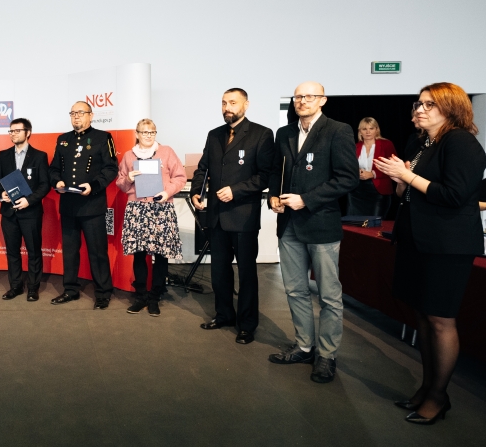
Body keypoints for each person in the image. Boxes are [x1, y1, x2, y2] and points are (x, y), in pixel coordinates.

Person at [374, 82, 486, 424]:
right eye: (418, 104)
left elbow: (454, 195)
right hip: (417, 239)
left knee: (440, 319)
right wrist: (400, 180)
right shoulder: (421, 143)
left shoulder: (461, 143)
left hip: (447, 245)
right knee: (422, 316)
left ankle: (438, 397)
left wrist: (406, 175)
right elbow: (407, 194)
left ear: (450, 108)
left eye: (428, 105)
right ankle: (426, 387)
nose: (419, 110)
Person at [267, 82, 358, 383]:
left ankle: (327, 355)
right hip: (288, 224)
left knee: (329, 296)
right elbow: (276, 171)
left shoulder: (338, 130)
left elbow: (347, 178)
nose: (302, 100)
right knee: (295, 290)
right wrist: (273, 196)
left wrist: (306, 199)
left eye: (309, 96)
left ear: (322, 100)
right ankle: (305, 347)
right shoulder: (285, 133)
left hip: (321, 223)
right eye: (298, 96)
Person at [190, 89, 274, 342]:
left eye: (233, 102)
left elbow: (264, 176)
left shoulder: (261, 134)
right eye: (224, 103)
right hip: (217, 216)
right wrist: (196, 191)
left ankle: (247, 324)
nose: (227, 107)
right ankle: (224, 314)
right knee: (219, 272)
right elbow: (203, 168)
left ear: (246, 105)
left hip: (243, 216)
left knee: (246, 274)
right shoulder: (214, 134)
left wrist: (235, 191)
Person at [49, 101, 118, 309]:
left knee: (97, 252)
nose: (76, 116)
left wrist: (94, 185)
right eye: (73, 113)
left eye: (80, 112)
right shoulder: (63, 140)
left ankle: (103, 293)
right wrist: (57, 182)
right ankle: (70, 290)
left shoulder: (103, 138)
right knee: (70, 252)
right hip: (69, 205)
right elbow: (53, 169)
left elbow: (111, 168)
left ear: (91, 115)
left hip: (92, 206)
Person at [115, 119, 186, 316]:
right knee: (139, 254)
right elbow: (120, 183)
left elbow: (180, 177)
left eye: (152, 132)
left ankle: (155, 297)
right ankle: (141, 297)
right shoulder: (129, 156)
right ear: (137, 134)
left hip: (161, 208)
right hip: (137, 209)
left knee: (161, 255)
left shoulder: (166, 152)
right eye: (144, 132)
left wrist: (167, 192)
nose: (148, 135)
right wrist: (128, 179)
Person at [0, 118, 50, 301]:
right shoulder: (3, 155)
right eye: (11, 131)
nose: (13, 134)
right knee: (12, 252)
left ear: (28, 132)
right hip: (9, 212)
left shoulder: (39, 156)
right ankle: (15, 286)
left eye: (17, 131)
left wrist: (28, 201)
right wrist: (2, 194)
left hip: (30, 212)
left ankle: (33, 288)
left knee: (34, 251)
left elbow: (45, 184)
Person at [347, 117, 396, 217]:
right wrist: (356, 172)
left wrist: (373, 174)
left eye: (371, 128)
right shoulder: (355, 146)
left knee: (375, 223)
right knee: (355, 223)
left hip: (378, 191)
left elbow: (394, 167)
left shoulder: (386, 144)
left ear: (377, 130)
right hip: (357, 191)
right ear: (360, 131)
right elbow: (348, 166)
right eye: (364, 129)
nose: (368, 132)